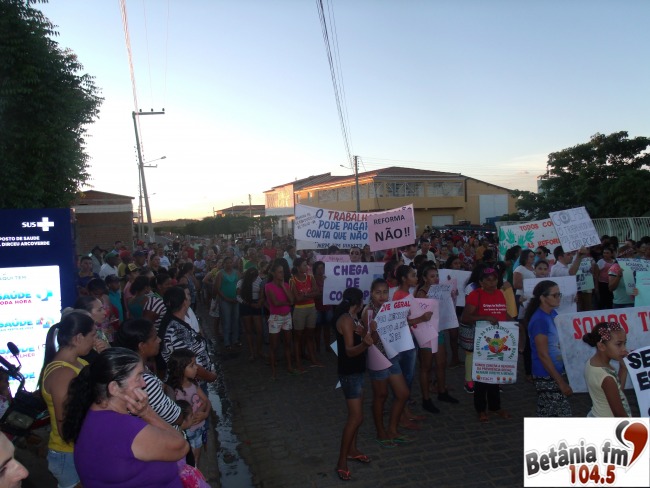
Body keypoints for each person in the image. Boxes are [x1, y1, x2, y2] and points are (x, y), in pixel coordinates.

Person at [62, 348, 188, 487]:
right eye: (138, 377)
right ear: (114, 388)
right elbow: (181, 447)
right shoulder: (126, 428)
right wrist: (147, 413)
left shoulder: (91, 415)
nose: (144, 384)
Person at [40, 311, 96, 488]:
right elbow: (66, 426)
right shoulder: (63, 374)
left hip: (78, 448)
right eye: (92, 335)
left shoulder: (80, 363)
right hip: (69, 452)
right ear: (79, 337)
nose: (94, 340)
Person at [361, 279, 410, 447]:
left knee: (403, 394)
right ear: (371, 293)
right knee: (381, 396)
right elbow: (369, 341)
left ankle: (393, 428)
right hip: (378, 358)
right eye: (378, 292)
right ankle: (381, 432)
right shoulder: (368, 312)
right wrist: (373, 329)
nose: (382, 296)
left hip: (392, 356)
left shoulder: (390, 307)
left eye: (384, 292)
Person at [460, 267, 511, 422]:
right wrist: (486, 317)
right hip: (482, 340)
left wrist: (513, 325)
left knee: (496, 374)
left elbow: (503, 313)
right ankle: (481, 409)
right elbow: (465, 318)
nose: (491, 282)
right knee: (482, 376)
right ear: (480, 282)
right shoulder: (475, 295)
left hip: (499, 339)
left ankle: (495, 407)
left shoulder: (500, 294)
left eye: (494, 279)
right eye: (487, 279)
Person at [334, 287, 373, 482]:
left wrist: (367, 332)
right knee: (355, 418)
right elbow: (349, 351)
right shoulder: (347, 320)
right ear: (358, 303)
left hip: (357, 371)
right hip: (350, 373)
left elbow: (361, 336)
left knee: (358, 416)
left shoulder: (353, 318)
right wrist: (365, 343)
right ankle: (342, 462)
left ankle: (352, 450)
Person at [114, 319, 182, 426]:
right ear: (142, 346)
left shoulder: (132, 368)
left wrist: (165, 390)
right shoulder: (144, 381)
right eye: (154, 338)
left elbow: (164, 387)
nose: (159, 340)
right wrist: (170, 394)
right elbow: (178, 418)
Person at [523, 280, 572, 417]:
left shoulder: (552, 314)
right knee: (561, 415)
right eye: (554, 295)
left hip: (553, 372)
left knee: (547, 412)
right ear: (543, 298)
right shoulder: (540, 320)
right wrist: (560, 382)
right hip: (546, 374)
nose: (558, 298)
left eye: (559, 294)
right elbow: (543, 354)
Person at [414, 264, 457, 412]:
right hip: (426, 333)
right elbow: (417, 315)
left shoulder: (440, 290)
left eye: (437, 275)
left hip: (438, 331)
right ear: (425, 278)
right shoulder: (421, 293)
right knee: (426, 367)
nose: (436, 278)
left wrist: (451, 297)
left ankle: (442, 391)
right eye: (432, 276)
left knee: (441, 362)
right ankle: (426, 399)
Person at [159, 287, 218, 383]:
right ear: (184, 302)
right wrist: (210, 376)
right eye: (187, 295)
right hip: (192, 383)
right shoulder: (178, 331)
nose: (190, 297)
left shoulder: (176, 322)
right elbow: (187, 363)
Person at [167, 349, 210, 467]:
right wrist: (202, 408)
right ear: (181, 369)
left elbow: (206, 400)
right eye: (192, 365)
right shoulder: (176, 393)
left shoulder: (194, 383)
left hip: (199, 427)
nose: (196, 367)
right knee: (190, 457)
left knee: (197, 451)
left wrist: (205, 414)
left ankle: (196, 473)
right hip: (188, 433)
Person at [583, 322, 631, 417]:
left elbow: (617, 391)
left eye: (624, 343)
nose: (624, 349)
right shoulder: (606, 378)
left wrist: (623, 368)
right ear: (601, 346)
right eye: (618, 344)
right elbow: (619, 414)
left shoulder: (592, 363)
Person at [263, 261, 295, 377]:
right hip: (276, 317)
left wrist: (283, 286)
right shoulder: (268, 286)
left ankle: (289, 366)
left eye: (283, 272)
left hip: (287, 316)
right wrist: (287, 302)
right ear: (273, 274)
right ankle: (273, 370)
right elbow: (275, 302)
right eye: (280, 272)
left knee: (288, 342)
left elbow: (292, 300)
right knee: (274, 346)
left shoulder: (285, 285)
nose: (282, 274)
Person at [289, 257, 322, 370]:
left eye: (306, 265)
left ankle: (313, 359)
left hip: (311, 308)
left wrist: (305, 295)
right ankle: (298, 362)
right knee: (298, 336)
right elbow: (297, 299)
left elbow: (317, 292)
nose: (306, 267)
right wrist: (310, 294)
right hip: (299, 310)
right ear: (298, 268)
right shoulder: (292, 280)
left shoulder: (310, 277)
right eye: (304, 265)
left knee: (309, 335)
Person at [237, 267, 265, 361]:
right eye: (253, 277)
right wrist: (248, 304)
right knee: (248, 330)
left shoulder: (259, 280)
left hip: (256, 304)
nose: (255, 278)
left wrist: (260, 302)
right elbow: (238, 296)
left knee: (259, 330)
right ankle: (252, 352)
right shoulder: (241, 282)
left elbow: (262, 292)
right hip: (246, 305)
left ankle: (259, 350)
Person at [214, 256, 241, 350]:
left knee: (236, 320)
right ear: (224, 264)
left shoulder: (237, 272)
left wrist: (237, 297)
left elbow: (239, 285)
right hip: (224, 300)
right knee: (226, 320)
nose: (229, 264)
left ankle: (235, 340)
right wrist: (226, 299)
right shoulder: (220, 274)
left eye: (230, 262)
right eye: (227, 262)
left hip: (235, 300)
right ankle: (227, 342)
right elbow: (217, 288)